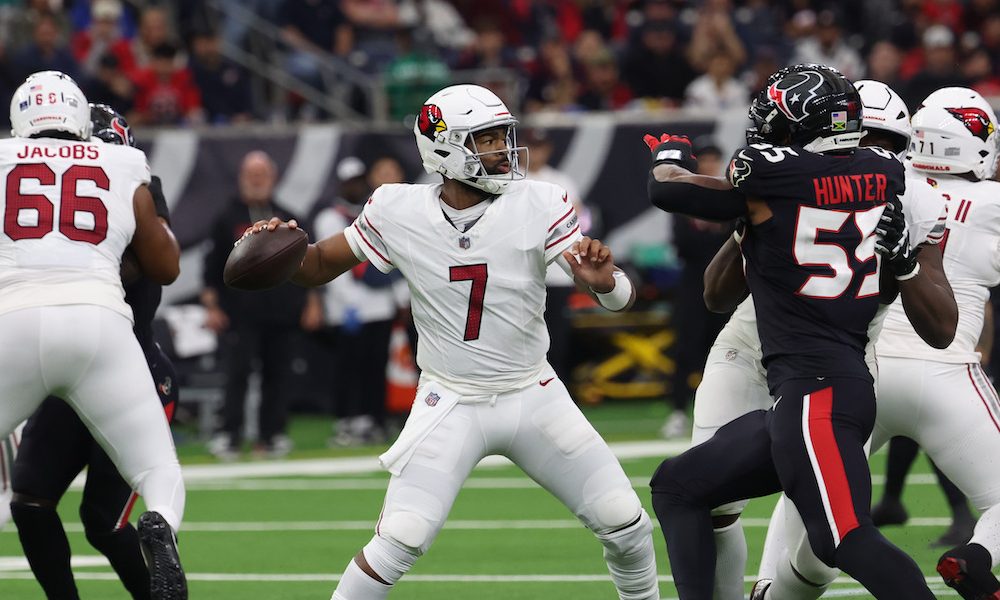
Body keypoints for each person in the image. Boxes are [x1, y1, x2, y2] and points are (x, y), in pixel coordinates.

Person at [246, 83, 659, 600]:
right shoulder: (397, 209)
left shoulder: (539, 201)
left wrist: (606, 284)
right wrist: (281, 246)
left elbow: (618, 296)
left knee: (626, 522)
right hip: (451, 398)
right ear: (445, 149)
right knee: (402, 535)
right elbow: (320, 265)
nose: (503, 150)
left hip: (534, 391)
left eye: (502, 137)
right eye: (487, 139)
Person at [645, 65, 945, 599]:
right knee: (677, 486)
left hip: (818, 391)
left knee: (844, 538)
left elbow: (669, 192)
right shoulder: (885, 174)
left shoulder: (772, 176)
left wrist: (670, 156)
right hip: (816, 384)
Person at [753, 86, 1000, 600]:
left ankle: (771, 587)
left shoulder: (867, 181)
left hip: (860, 372)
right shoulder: (989, 203)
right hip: (945, 374)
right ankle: (975, 558)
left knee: (815, 508)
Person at [0, 71, 186, 599]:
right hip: (103, 334)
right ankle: (163, 523)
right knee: (156, 475)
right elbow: (167, 264)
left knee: (102, 519)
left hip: (18, 324)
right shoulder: (123, 166)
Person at [201, 150, 318, 460]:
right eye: (251, 174)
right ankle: (230, 435)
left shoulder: (288, 217)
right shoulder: (226, 217)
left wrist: (312, 302)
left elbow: (309, 262)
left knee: (278, 374)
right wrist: (212, 306)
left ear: (273, 178)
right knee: (236, 373)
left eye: (262, 174)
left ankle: (272, 434)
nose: (256, 180)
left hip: (282, 312)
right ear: (242, 177)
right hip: (240, 313)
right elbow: (210, 269)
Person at [314, 156, 406, 446]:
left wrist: (399, 299)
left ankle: (374, 419)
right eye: (348, 182)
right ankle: (346, 420)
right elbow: (329, 263)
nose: (354, 187)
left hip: (379, 305)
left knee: (376, 366)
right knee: (348, 367)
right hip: (348, 310)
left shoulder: (374, 212)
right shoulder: (329, 217)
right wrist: (349, 301)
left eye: (358, 180)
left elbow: (394, 257)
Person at [661, 141, 731, 440]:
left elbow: (735, 237)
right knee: (686, 349)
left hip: (725, 284)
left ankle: (726, 411)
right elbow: (682, 244)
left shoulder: (729, 195)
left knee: (725, 350)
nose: (711, 164)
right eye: (706, 159)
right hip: (692, 285)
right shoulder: (685, 197)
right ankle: (678, 411)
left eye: (715, 158)